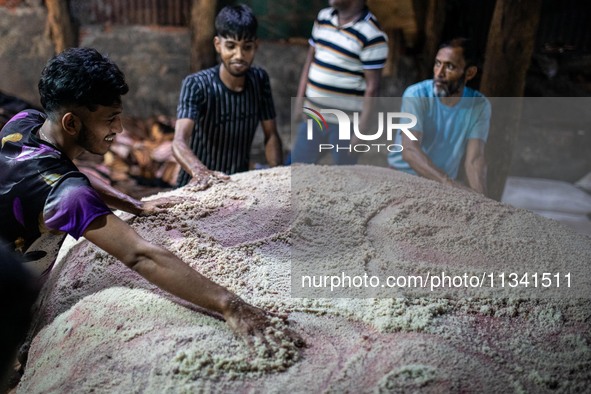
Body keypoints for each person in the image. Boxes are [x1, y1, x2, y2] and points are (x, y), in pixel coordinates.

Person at [0, 47, 302, 354]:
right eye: (111, 119)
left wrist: (134, 204)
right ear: (71, 124)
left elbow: (63, 171)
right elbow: (140, 256)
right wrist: (230, 305)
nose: (118, 129)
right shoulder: (68, 196)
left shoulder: (25, 123)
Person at [172, 4, 282, 188]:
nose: (239, 55)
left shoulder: (259, 80)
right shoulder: (196, 85)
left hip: (237, 185)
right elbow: (179, 141)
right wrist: (201, 172)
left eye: (247, 47)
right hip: (195, 186)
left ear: (256, 46)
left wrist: (279, 173)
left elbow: (271, 134)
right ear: (218, 44)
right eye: (231, 46)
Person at [290, 0, 388, 165]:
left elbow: (373, 88)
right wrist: (300, 101)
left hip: (346, 124)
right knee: (295, 167)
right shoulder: (323, 17)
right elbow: (309, 60)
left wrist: (361, 132)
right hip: (314, 115)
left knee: (344, 178)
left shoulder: (372, 34)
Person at [388, 38, 490, 194]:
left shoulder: (479, 105)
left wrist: (483, 200)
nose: (439, 73)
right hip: (403, 176)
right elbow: (409, 150)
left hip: (442, 184)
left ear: (470, 73)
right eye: (437, 64)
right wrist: (449, 184)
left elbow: (474, 159)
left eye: (449, 66)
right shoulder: (416, 94)